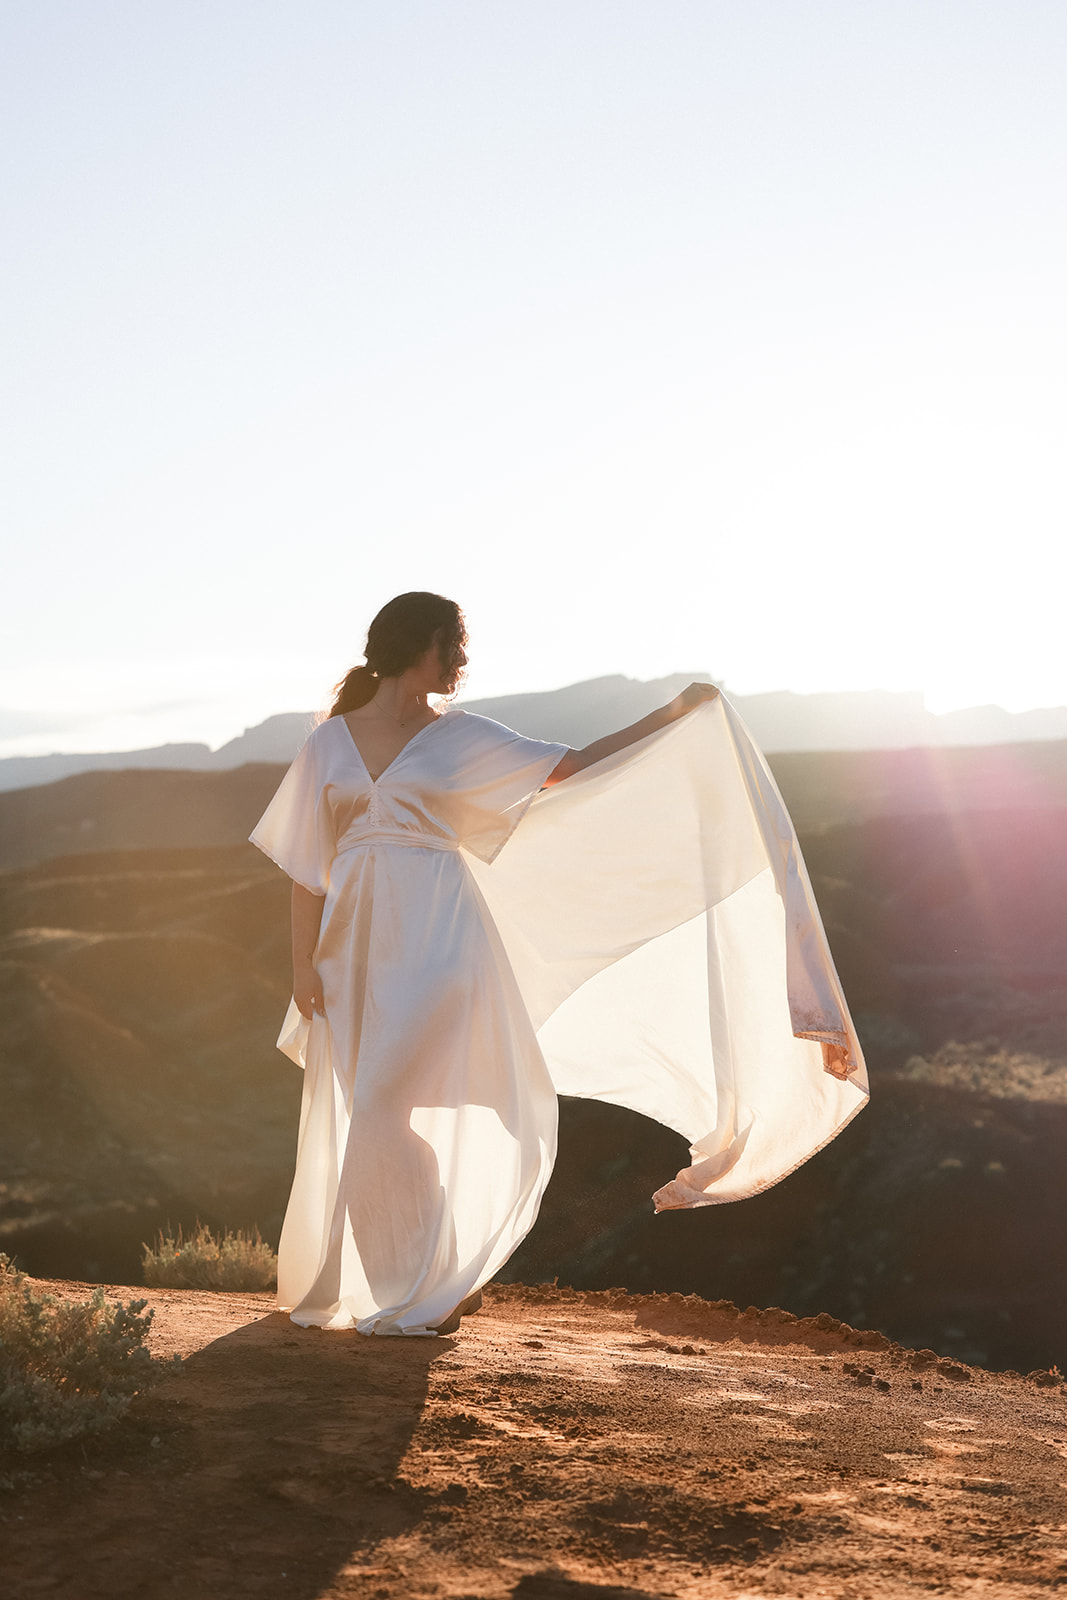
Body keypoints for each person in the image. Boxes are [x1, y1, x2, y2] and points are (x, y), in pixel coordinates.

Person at [251, 591, 866, 1336]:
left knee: (382, 1106)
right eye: (457, 644)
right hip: (349, 948)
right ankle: (431, 1274)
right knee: (374, 1112)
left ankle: (424, 1283)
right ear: (422, 645)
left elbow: (568, 769)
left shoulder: (461, 737)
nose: (464, 660)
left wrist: (671, 716)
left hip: (441, 942)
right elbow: (303, 869)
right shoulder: (328, 743)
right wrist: (302, 968)